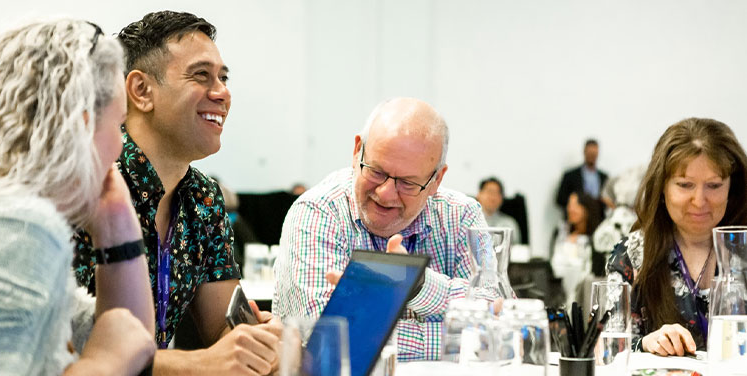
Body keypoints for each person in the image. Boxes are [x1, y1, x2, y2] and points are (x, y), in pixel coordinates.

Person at [72, 11, 281, 374]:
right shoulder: (85, 186)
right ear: (140, 91)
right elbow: (64, 350)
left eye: (223, 77)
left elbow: (224, 327)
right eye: (201, 76)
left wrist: (259, 341)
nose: (222, 92)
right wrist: (196, 364)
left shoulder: (204, 197)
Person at [0, 19, 155, 374]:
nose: (120, 147)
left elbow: (131, 340)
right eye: (119, 125)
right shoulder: (17, 226)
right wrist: (106, 363)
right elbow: (118, 352)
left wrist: (117, 228)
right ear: (82, 126)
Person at [273, 97, 491, 361]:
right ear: (357, 152)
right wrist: (461, 338)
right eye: (376, 171)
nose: (385, 193)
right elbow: (330, 341)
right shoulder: (317, 212)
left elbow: (499, 323)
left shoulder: (462, 215)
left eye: (407, 183)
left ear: (436, 180)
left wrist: (417, 284)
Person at [606, 118, 747, 356]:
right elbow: (606, 349)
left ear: (732, 189)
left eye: (713, 186)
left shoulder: (740, 251)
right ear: (662, 188)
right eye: (685, 185)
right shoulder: (631, 255)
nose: (700, 201)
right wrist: (647, 343)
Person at [550, 192, 603, 304]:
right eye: (569, 205)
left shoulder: (596, 238)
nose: (571, 209)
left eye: (576, 205)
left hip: (585, 294)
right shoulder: (561, 233)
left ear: (586, 209)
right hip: (560, 292)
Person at [555, 139, 608, 213]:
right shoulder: (570, 176)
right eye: (589, 153)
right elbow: (560, 200)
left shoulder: (604, 177)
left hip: (598, 219)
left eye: (594, 153)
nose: (592, 156)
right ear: (584, 152)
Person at [476, 177, 521, 244]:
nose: (492, 197)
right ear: (479, 195)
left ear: (501, 198)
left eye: (497, 193)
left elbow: (517, 250)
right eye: (489, 192)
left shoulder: (509, 224)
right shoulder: (470, 222)